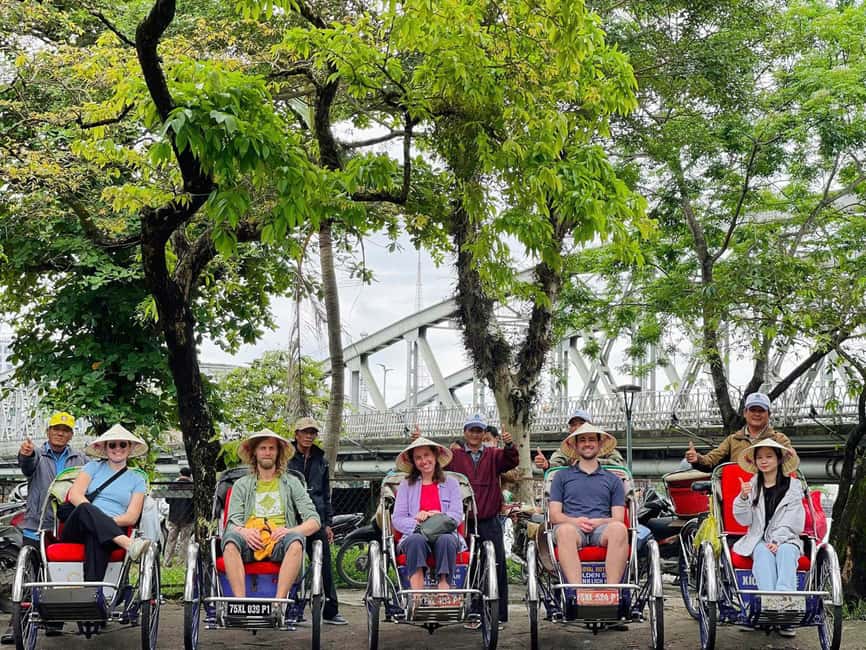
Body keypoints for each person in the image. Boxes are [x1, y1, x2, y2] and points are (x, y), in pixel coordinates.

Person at [415, 414, 518, 627]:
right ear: (465, 432)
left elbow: (511, 460)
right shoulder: (455, 456)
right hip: (463, 521)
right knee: (467, 564)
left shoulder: (493, 454)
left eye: (479, 431)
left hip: (489, 518)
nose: (475, 434)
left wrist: (509, 444)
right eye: (471, 430)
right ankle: (471, 611)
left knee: (496, 564)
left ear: (483, 434)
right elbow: (434, 461)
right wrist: (421, 439)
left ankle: (497, 615)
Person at [3, 412, 87, 644]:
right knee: (27, 575)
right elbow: (26, 466)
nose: (60, 433)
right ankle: (16, 625)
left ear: (71, 434)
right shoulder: (37, 454)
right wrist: (25, 454)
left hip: (68, 525)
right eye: (56, 429)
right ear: (48, 432)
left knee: (59, 574)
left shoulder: (80, 459)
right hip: (37, 525)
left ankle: (54, 622)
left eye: (65, 430)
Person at [221, 429, 320, 613]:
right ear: (255, 453)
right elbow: (232, 521)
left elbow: (314, 521)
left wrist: (290, 531)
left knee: (297, 543)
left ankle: (278, 604)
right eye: (262, 448)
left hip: (280, 539)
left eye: (271, 448)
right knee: (230, 541)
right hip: (250, 539)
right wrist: (245, 532)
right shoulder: (241, 485)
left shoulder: (291, 483)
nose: (267, 452)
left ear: (278, 453)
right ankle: (241, 605)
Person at [61, 424, 151, 581]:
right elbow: (75, 495)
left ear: (130, 448)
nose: (118, 448)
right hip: (78, 525)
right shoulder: (92, 467)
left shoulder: (138, 480)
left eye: (123, 444)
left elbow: (131, 517)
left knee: (96, 535)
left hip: (112, 530)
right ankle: (129, 545)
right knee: (84, 508)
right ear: (105, 448)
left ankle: (92, 594)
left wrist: (101, 524)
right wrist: (97, 518)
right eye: (112, 445)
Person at [733, 439, 804, 638]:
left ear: (779, 459)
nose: (764, 461)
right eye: (760, 457)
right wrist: (743, 498)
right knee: (762, 553)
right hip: (757, 539)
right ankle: (770, 608)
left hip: (787, 538)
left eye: (769, 456)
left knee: (787, 552)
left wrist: (779, 540)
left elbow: (795, 520)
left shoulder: (794, 487)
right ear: (755, 462)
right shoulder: (751, 486)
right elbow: (744, 520)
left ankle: (785, 609)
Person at [549, 423, 629, 588]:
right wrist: (576, 521)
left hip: (602, 528)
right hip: (572, 527)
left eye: (592, 440)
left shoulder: (613, 479)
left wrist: (598, 522)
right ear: (576, 446)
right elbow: (555, 515)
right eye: (583, 440)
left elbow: (618, 517)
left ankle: (612, 591)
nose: (587, 444)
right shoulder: (561, 477)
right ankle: (577, 591)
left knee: (619, 529)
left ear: (600, 444)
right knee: (564, 531)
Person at [287, 417, 346, 625]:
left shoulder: (321, 459)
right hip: (291, 518)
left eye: (313, 432)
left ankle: (331, 610)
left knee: (324, 564)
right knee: (290, 561)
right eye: (305, 432)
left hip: (315, 518)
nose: (309, 436)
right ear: (296, 434)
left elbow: (325, 493)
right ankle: (291, 607)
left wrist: (327, 522)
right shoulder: (286, 457)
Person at [392, 437, 464, 592]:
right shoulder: (406, 485)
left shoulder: (452, 483)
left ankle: (444, 588)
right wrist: (418, 520)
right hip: (415, 533)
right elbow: (397, 518)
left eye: (427, 455)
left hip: (445, 532)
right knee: (415, 540)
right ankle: (416, 595)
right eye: (418, 458)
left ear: (435, 456)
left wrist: (437, 516)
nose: (423, 461)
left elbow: (457, 514)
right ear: (413, 462)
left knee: (446, 539)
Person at [685, 392, 792, 470]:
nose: (757, 414)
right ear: (745, 413)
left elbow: (790, 463)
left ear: (769, 414)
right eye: (753, 410)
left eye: (761, 410)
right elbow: (712, 459)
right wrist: (697, 459)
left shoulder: (779, 439)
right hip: (738, 491)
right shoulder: (733, 439)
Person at [534, 409, 625, 470]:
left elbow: (619, 465)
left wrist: (591, 462)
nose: (577, 427)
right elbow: (556, 462)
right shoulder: (564, 451)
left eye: (581, 423)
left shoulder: (606, 449)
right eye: (573, 425)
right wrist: (547, 464)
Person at [164, 467, 194, 565]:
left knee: (171, 539)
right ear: (190, 475)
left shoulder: (173, 485)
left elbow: (167, 500)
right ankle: (181, 562)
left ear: (180, 474)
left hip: (174, 517)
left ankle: (167, 561)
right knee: (184, 540)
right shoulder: (193, 486)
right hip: (188, 518)